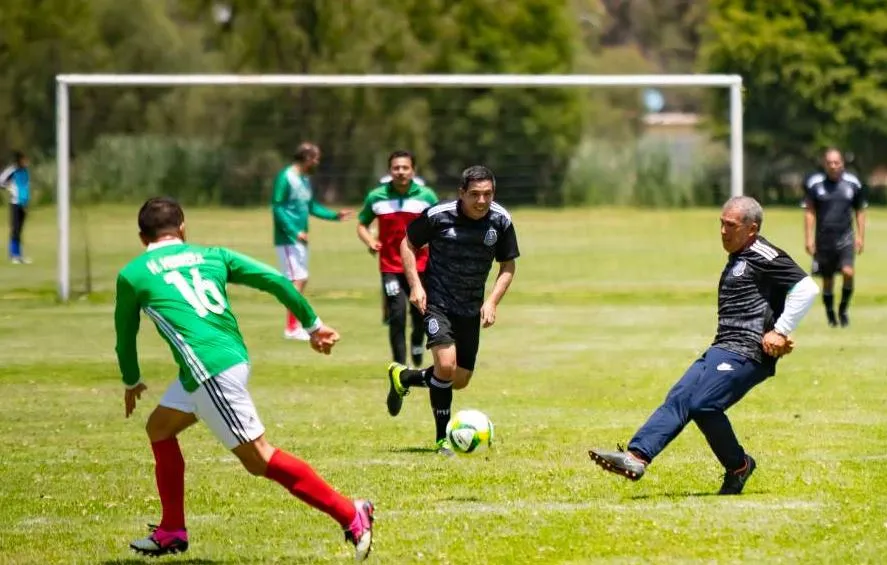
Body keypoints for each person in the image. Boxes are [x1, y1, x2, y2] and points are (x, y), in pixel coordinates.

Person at [115, 197, 374, 560]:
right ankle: (172, 530)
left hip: (209, 371)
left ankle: (351, 513)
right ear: (183, 228)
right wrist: (312, 324)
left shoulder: (134, 273)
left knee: (259, 459)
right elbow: (274, 280)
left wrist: (131, 380)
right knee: (159, 428)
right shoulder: (213, 255)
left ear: (143, 237)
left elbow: (124, 335)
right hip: (228, 359)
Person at [589, 196, 819, 495]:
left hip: (748, 351)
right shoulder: (740, 255)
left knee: (704, 404)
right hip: (723, 346)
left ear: (752, 229)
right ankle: (636, 458)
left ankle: (740, 466)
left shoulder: (763, 252)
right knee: (681, 397)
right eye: (721, 224)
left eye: (731, 225)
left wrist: (781, 330)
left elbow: (806, 288)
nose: (723, 231)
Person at [385, 165, 520, 456]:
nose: (481, 201)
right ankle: (441, 440)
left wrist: (492, 301)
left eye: (487, 194)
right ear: (461, 193)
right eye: (474, 195)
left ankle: (405, 378)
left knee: (459, 379)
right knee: (445, 368)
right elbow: (407, 244)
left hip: (470, 307)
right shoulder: (439, 215)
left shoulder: (501, 220)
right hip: (438, 301)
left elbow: (507, 264)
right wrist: (416, 286)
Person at [357, 151, 439, 368]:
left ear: (413, 170)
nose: (401, 172)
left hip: (420, 265)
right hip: (390, 266)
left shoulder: (427, 197)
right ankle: (399, 366)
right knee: (397, 314)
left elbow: (438, 226)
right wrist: (370, 242)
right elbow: (362, 224)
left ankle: (416, 343)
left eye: (405, 167)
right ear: (390, 170)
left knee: (421, 312)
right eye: (396, 168)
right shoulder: (377, 197)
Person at [272, 142, 353, 340]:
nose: (317, 161)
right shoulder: (286, 177)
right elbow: (277, 207)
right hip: (288, 239)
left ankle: (294, 326)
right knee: (296, 281)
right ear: (307, 158)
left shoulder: (305, 180)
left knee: (300, 279)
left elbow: (311, 206)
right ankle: (291, 329)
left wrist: (334, 216)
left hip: (299, 239)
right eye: (316, 158)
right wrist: (293, 231)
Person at [803, 148, 867, 327]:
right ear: (825, 164)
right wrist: (808, 239)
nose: (833, 166)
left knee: (848, 272)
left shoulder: (853, 183)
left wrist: (861, 237)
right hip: (824, 240)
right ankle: (831, 315)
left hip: (846, 237)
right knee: (828, 280)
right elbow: (809, 212)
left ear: (842, 163)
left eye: (836, 162)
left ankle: (843, 309)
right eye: (829, 163)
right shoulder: (815, 184)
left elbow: (860, 211)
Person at [0, 151, 31, 264]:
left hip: (23, 203)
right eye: (25, 159)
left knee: (20, 230)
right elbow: (1, 181)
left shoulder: (25, 171)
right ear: (20, 160)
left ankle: (19, 255)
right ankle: (13, 255)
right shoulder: (12, 170)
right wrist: (9, 188)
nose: (27, 161)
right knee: (15, 230)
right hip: (15, 203)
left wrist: (27, 202)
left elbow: (25, 187)